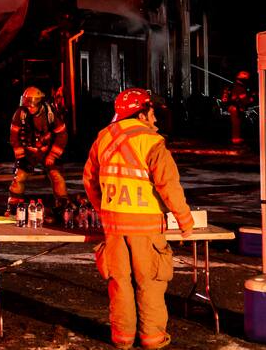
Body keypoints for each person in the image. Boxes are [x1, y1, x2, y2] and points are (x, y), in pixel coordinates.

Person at [84, 88, 194, 350]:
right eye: (153, 110)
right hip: (146, 228)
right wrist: (185, 221)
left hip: (114, 226)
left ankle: (122, 339)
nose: (155, 116)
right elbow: (169, 186)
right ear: (143, 111)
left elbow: (89, 180)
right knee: (151, 284)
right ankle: (152, 340)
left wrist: (104, 209)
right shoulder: (152, 142)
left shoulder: (103, 137)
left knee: (120, 283)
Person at [6, 85, 69, 217]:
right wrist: (21, 157)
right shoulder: (20, 114)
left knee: (56, 176)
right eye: (27, 105)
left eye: (32, 106)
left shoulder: (51, 113)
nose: (29, 108)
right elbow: (14, 137)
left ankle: (62, 206)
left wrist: (52, 155)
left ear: (39, 103)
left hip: (47, 151)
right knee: (19, 176)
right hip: (28, 153)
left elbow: (62, 135)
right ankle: (13, 206)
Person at [221, 71, 254, 145]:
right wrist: (251, 99)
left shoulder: (233, 85)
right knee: (236, 123)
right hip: (235, 108)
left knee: (236, 123)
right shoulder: (239, 87)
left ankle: (236, 138)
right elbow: (244, 99)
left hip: (232, 107)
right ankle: (236, 139)